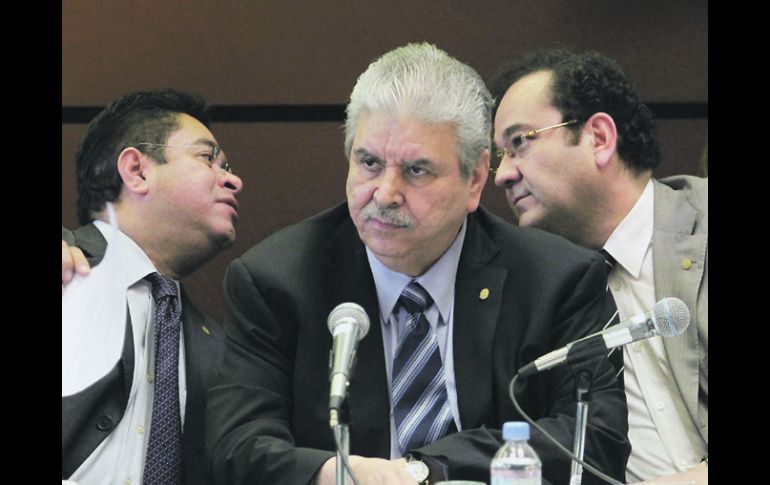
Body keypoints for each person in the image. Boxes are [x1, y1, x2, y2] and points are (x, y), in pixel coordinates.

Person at [206, 43, 629, 485]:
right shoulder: (279, 280)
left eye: (416, 170)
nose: (385, 193)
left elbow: (595, 441)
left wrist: (426, 470)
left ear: (475, 179)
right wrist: (339, 474)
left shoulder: (555, 280)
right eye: (369, 163)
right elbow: (236, 446)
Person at [488, 48, 707, 484]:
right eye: (499, 155)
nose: (501, 175)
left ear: (599, 138)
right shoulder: (535, 290)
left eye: (520, 143)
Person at [62, 89, 244, 485]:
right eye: (207, 158)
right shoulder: (67, 266)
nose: (234, 180)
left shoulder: (220, 349)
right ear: (137, 171)